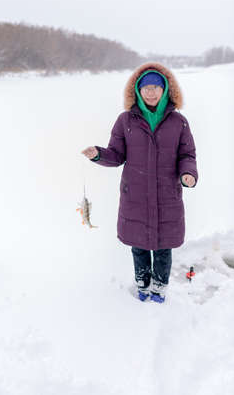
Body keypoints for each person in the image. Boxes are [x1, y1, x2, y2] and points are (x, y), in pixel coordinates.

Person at [81, 62, 198, 303]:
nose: (151, 92)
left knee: (164, 248)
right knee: (139, 245)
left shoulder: (179, 122)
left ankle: (160, 287)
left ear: (165, 90)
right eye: (146, 88)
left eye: (156, 87)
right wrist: (99, 154)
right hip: (136, 196)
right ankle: (143, 284)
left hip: (167, 196)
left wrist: (189, 174)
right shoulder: (125, 121)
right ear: (137, 91)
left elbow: (188, 155)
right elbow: (116, 154)